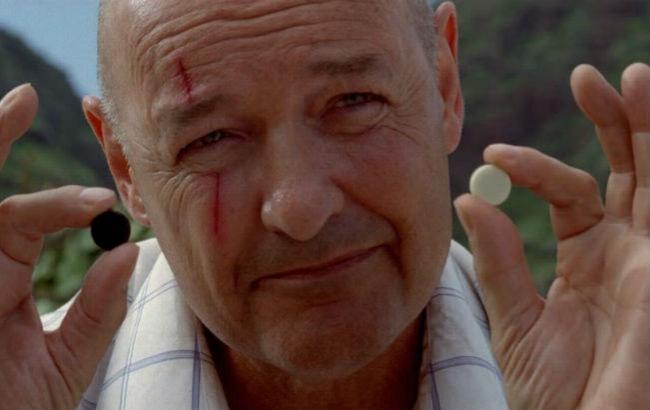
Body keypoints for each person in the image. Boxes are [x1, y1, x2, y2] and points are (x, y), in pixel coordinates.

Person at [0, 0, 648, 408]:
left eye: (353, 102)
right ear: (125, 168)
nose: (300, 207)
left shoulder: (611, 372)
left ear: (444, 87)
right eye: (211, 138)